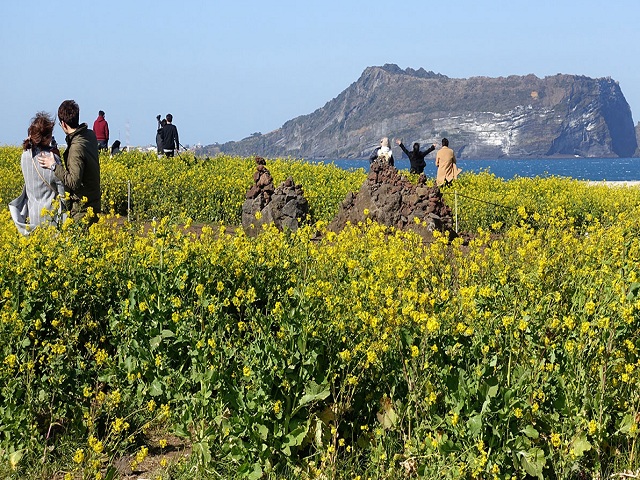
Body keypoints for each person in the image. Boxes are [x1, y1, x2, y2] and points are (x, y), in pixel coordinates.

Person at [38, 100, 101, 224]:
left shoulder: (75, 148)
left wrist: (54, 166)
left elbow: (73, 182)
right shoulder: (89, 135)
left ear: (63, 124)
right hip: (94, 202)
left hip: (82, 210)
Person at [9, 112, 66, 235]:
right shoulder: (51, 158)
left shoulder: (24, 156)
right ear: (46, 138)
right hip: (52, 218)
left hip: (32, 217)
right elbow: (63, 189)